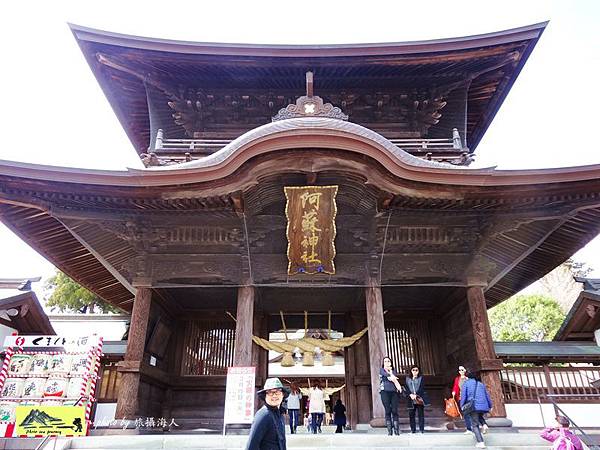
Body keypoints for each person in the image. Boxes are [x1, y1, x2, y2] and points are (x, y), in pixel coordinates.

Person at [246, 378, 290, 450]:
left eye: (278, 392)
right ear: (265, 396)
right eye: (270, 392)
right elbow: (251, 445)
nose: (274, 396)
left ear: (282, 395)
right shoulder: (263, 415)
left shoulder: (280, 414)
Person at [460, 371, 492, 449]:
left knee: (474, 424)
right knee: (479, 415)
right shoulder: (481, 384)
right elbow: (487, 395)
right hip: (483, 405)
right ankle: (484, 425)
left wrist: (462, 405)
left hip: (473, 405)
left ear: (467, 377)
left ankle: (480, 442)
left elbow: (464, 396)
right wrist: (490, 405)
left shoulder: (466, 384)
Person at [452, 366, 488, 434]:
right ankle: (479, 426)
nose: (461, 371)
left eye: (462, 370)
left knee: (471, 413)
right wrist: (454, 391)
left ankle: (472, 429)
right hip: (461, 397)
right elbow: (456, 386)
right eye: (459, 370)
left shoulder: (468, 379)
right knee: (467, 414)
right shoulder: (457, 379)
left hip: (468, 398)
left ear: (465, 370)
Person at [379, 356, 402, 435]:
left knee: (394, 410)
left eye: (388, 361)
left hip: (394, 392)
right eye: (385, 361)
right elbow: (385, 375)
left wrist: (391, 372)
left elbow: (393, 377)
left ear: (391, 362)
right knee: (388, 410)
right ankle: (389, 430)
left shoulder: (394, 371)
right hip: (384, 392)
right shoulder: (381, 370)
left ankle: (396, 429)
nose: (387, 362)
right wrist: (390, 375)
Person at [405, 365, 428, 434]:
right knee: (411, 415)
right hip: (411, 398)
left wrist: (416, 395)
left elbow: (422, 387)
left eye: (416, 370)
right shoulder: (407, 379)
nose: (415, 372)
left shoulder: (421, 378)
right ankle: (413, 430)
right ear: (411, 371)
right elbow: (406, 388)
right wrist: (410, 394)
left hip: (419, 398)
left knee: (421, 414)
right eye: (413, 370)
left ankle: (421, 429)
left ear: (418, 371)